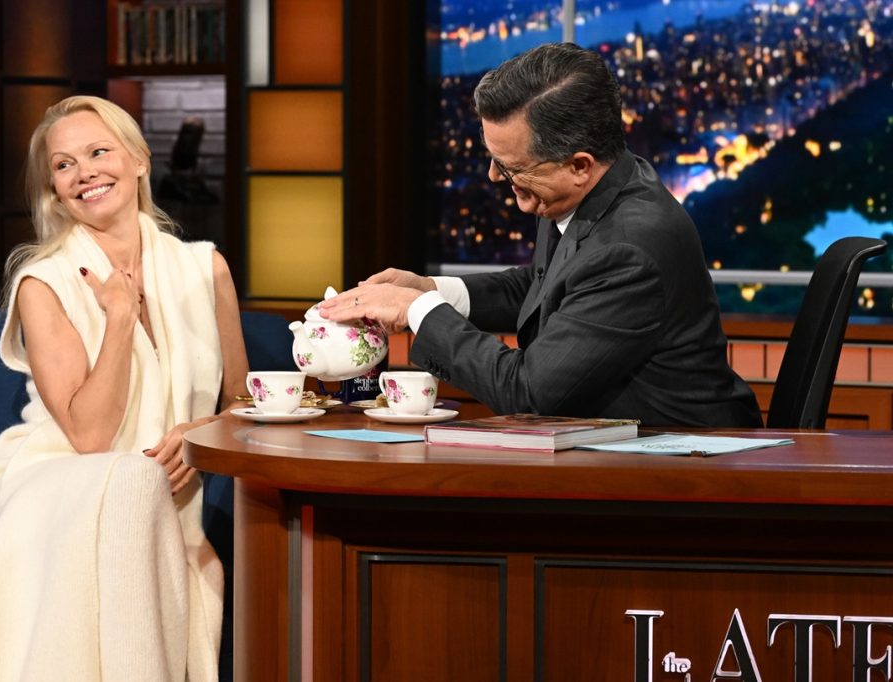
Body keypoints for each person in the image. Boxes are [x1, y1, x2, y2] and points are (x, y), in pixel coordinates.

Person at [0, 95, 249, 680]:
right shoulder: (43, 281)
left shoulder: (205, 267)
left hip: (169, 489)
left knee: (143, 482)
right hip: (52, 485)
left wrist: (197, 434)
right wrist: (117, 320)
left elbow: (241, 401)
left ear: (138, 159)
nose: (83, 172)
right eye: (63, 165)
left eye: (97, 152)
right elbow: (90, 437)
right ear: (55, 190)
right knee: (135, 475)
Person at [320, 42, 762, 427]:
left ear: (580, 165)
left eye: (512, 167)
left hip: (686, 462)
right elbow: (546, 285)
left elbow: (529, 391)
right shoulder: (598, 189)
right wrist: (432, 289)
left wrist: (419, 311)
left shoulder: (629, 248)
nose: (495, 176)